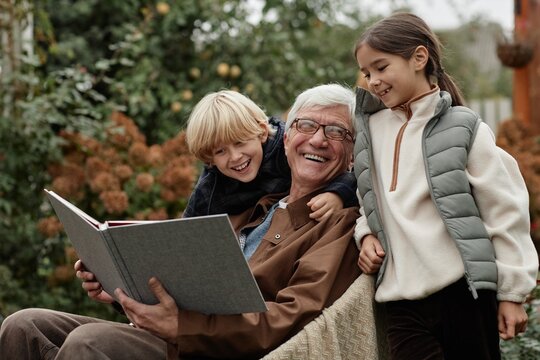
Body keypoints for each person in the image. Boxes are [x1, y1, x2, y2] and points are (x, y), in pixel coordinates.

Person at [0, 83, 363, 359]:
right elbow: (191, 282)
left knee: (88, 344)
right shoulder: (254, 203)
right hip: (172, 330)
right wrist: (120, 290)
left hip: (207, 346)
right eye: (307, 125)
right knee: (23, 326)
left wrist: (184, 326)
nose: (317, 139)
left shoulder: (339, 223)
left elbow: (293, 318)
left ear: (352, 153)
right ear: (286, 139)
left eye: (337, 132)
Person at [353, 12, 539, 360]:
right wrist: (366, 233)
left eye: (381, 67)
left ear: (419, 58)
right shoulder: (371, 131)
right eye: (367, 73)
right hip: (400, 299)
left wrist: (512, 293)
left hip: (463, 294)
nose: (373, 81)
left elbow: (504, 211)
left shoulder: (465, 128)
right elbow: (367, 199)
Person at [183, 89, 358, 221]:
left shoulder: (288, 148)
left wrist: (338, 194)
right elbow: (187, 230)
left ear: (262, 132)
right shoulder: (211, 188)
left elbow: (353, 173)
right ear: (209, 159)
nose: (235, 156)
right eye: (220, 151)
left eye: (240, 142)